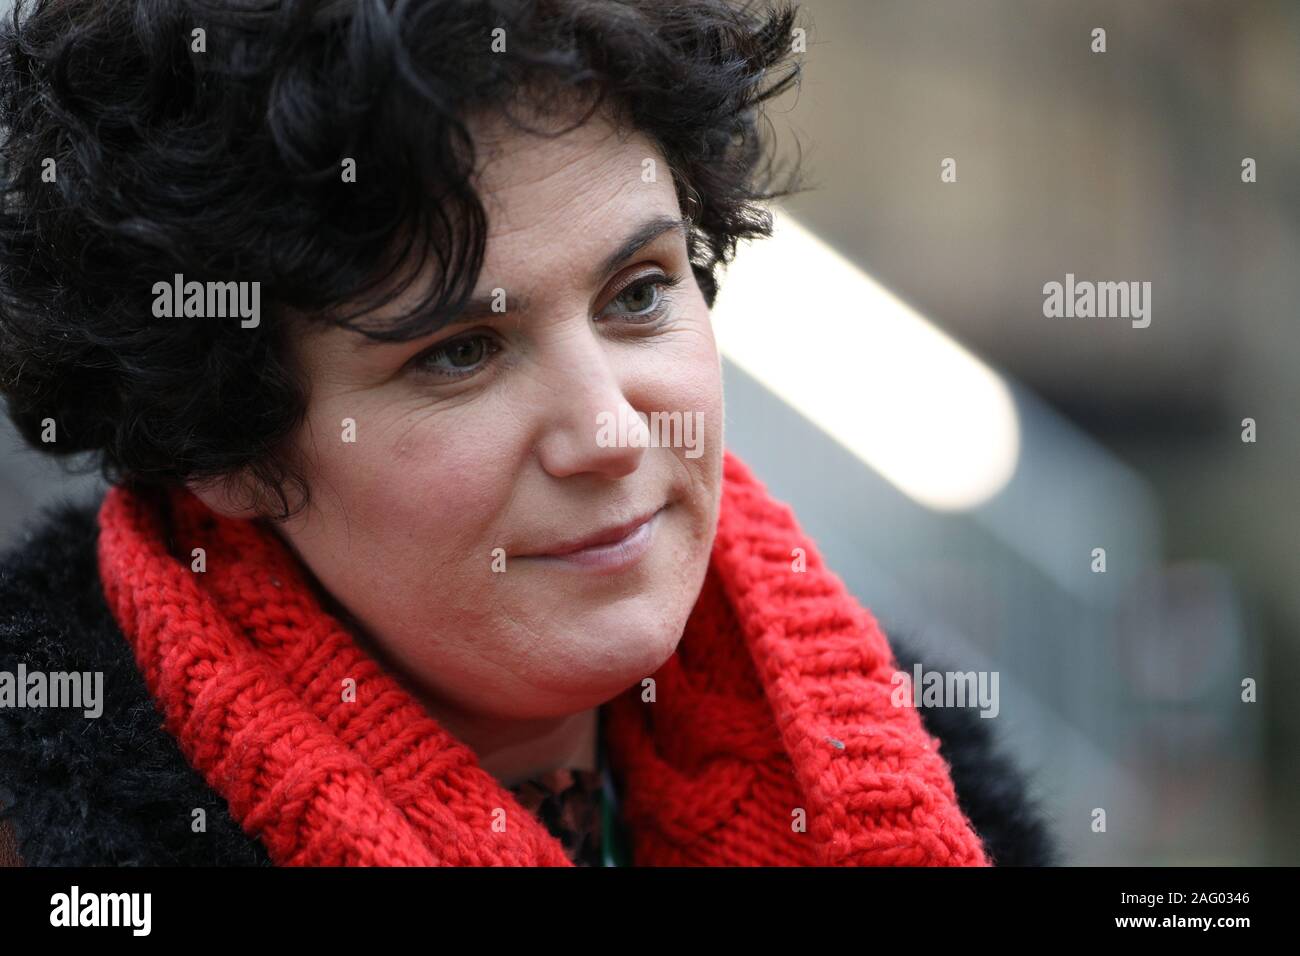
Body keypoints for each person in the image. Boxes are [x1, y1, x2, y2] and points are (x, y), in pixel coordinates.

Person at [0, 0, 1055, 866]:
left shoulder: (919, 775)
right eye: (459, 351)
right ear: (226, 447)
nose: (605, 432)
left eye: (639, 292)